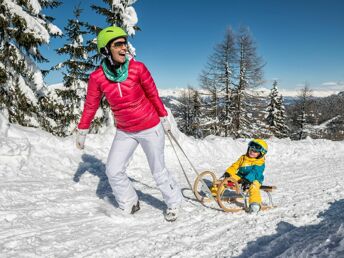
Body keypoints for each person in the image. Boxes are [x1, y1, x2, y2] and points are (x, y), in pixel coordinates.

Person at [75, 26, 182, 222]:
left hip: (150, 127)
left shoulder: (138, 68)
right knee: (113, 170)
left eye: (125, 43)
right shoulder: (97, 78)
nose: (124, 48)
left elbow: (153, 94)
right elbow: (91, 106)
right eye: (118, 44)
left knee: (158, 171)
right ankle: (129, 202)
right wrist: (82, 130)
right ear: (106, 50)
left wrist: (164, 117)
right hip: (125, 131)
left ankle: (174, 201)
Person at [212, 139, 268, 213]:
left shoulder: (260, 162)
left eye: (255, 151)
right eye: (251, 149)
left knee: (253, 186)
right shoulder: (243, 158)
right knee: (228, 180)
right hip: (241, 176)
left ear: (261, 153)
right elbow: (235, 166)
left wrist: (247, 179)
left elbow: (255, 172)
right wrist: (228, 173)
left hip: (255, 179)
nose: (251, 152)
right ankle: (215, 192)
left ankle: (255, 203)